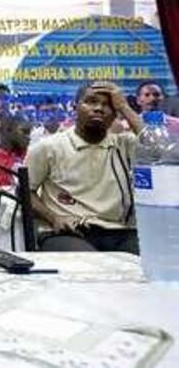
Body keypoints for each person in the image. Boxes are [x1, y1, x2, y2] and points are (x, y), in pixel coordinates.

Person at [25, 81, 143, 253]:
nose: (99, 109)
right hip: (67, 231)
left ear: (115, 114)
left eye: (108, 105)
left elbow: (157, 149)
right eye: (91, 101)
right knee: (89, 266)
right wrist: (54, 218)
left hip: (119, 230)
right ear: (75, 107)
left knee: (154, 260)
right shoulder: (47, 147)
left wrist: (124, 106)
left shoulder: (124, 144)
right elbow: (25, 191)